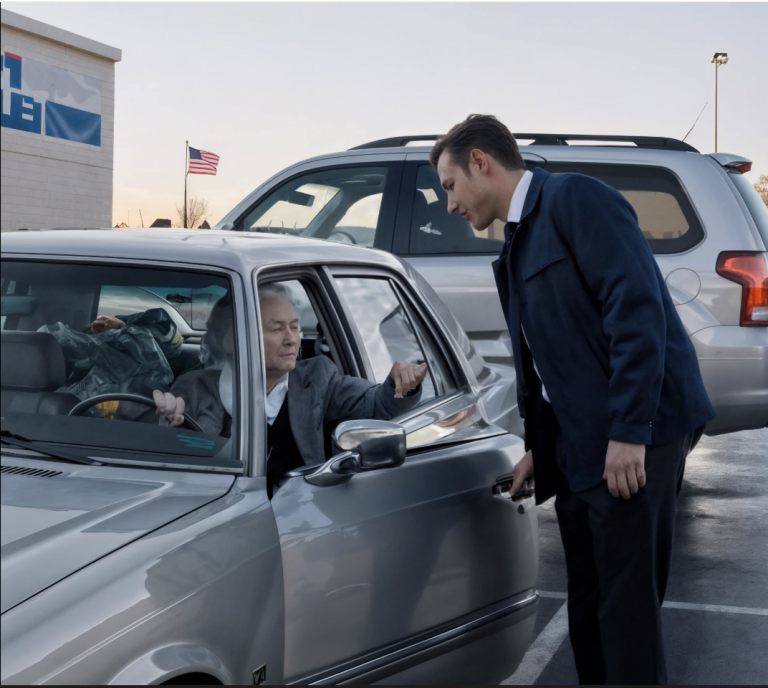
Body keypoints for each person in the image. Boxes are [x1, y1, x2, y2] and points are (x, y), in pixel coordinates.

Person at [431, 115, 715, 686]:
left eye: (450, 186)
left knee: (626, 614)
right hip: (579, 441)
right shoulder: (517, 241)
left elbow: (637, 313)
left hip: (639, 434)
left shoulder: (577, 200)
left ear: (480, 162)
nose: (450, 204)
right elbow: (548, 359)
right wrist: (542, 447)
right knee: (588, 603)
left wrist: (630, 430)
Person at [153, 284, 427, 494]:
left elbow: (375, 403)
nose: (291, 339)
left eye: (294, 327)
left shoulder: (318, 378)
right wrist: (167, 428)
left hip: (298, 519)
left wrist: (399, 383)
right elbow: (171, 466)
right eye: (276, 329)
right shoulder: (194, 388)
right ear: (232, 341)